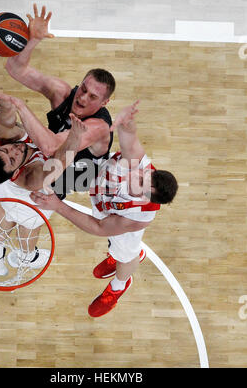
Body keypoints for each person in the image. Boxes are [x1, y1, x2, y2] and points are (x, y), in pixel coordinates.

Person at [29, 101, 178, 317]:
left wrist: (57, 205)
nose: (138, 176)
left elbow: (98, 227)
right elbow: (129, 137)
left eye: (143, 183)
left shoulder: (137, 216)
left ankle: (119, 286)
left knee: (125, 254)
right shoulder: (137, 162)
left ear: (147, 196)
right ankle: (119, 256)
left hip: (113, 218)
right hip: (101, 189)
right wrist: (126, 121)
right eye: (146, 175)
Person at [5, 3, 116, 199]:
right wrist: (33, 40)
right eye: (83, 89)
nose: (82, 98)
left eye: (92, 97)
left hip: (75, 175)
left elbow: (50, 147)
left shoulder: (98, 127)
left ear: (104, 103)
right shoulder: (62, 93)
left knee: (34, 211)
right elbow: (14, 69)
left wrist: (21, 105)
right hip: (51, 158)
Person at [0, 91, 86, 276]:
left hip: (4, 188)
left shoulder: (5, 146)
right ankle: (26, 256)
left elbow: (4, 122)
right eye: (13, 159)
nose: (16, 150)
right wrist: (75, 136)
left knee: (7, 209)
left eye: (6, 149)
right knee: (29, 224)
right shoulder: (32, 178)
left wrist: (6, 106)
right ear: (13, 171)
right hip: (29, 199)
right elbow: (61, 161)